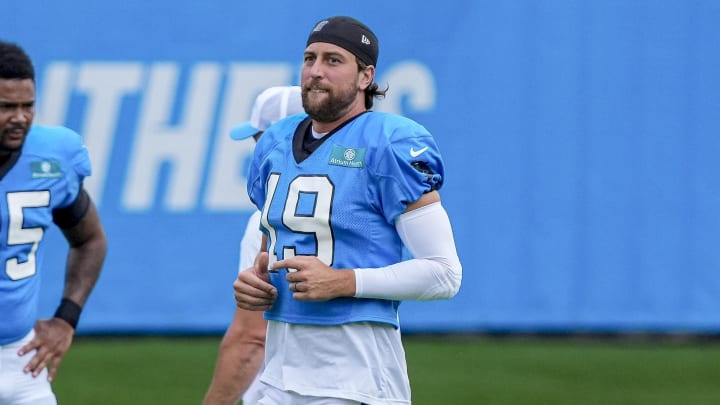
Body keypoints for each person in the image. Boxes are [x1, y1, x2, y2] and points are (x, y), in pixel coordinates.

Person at [233, 16, 463, 405]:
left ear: (364, 76)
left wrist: (344, 282)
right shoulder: (274, 141)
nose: (316, 71)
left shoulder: (390, 143)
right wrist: (255, 283)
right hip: (278, 373)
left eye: (333, 60)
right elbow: (274, 247)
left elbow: (444, 273)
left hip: (356, 379)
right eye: (309, 58)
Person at [0, 40, 107, 404]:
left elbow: (90, 239)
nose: (19, 117)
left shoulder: (51, 157)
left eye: (27, 106)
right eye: (6, 107)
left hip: (21, 360)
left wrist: (66, 318)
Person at [203, 85, 304, 405]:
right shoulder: (354, 209)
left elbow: (251, 338)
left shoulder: (268, 220)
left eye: (260, 139)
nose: (256, 149)